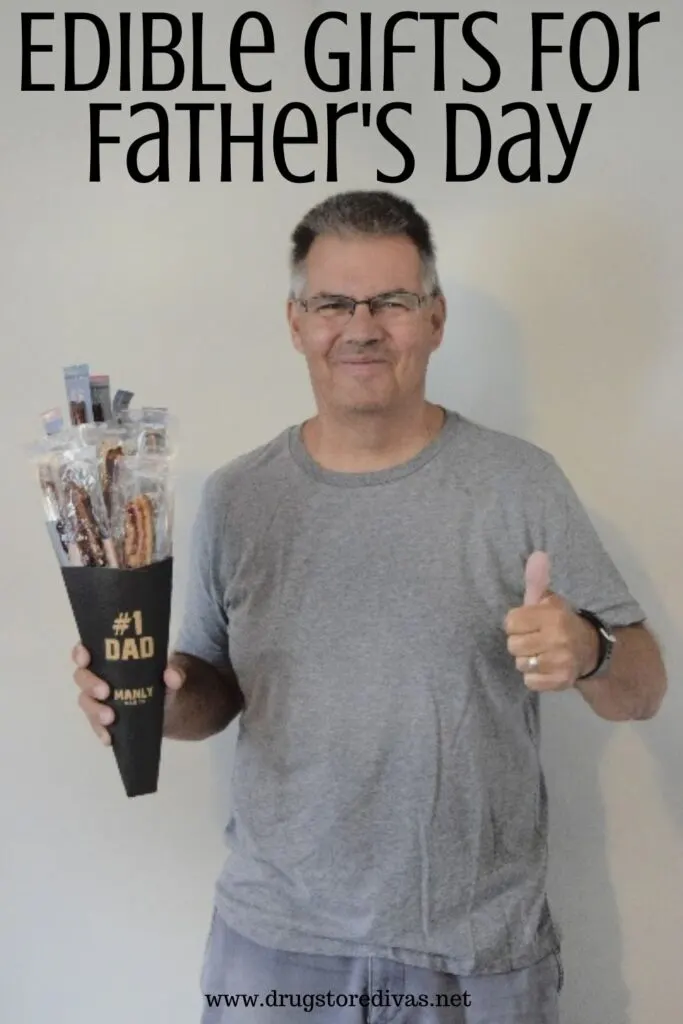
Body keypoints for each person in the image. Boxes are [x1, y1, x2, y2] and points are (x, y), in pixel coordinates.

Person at [73, 191, 667, 1023]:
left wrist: (591, 648)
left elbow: (643, 689)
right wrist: (153, 699)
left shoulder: (517, 483)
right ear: (295, 322)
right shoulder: (239, 498)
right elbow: (212, 697)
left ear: (434, 318)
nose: (361, 326)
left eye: (390, 301)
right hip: (274, 949)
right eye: (332, 303)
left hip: (474, 954)